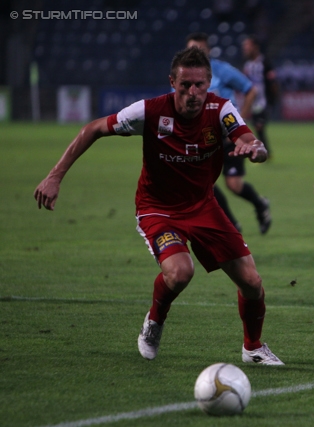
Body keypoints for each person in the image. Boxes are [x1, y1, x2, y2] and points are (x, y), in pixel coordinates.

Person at [34, 47, 284, 365]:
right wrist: (55, 177)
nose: (193, 93)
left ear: (209, 84)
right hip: (158, 209)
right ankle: (154, 322)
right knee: (180, 272)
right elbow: (94, 128)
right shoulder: (149, 112)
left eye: (199, 86)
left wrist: (255, 149)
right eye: (185, 85)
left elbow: (249, 140)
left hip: (203, 206)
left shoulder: (221, 110)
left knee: (252, 282)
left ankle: (253, 348)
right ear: (172, 82)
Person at [186, 32, 271, 235]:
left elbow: (251, 90)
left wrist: (238, 120)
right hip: (202, 139)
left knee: (233, 184)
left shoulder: (221, 70)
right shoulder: (184, 75)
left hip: (227, 136)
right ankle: (232, 225)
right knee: (203, 185)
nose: (195, 53)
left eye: (199, 49)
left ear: (207, 51)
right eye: (191, 49)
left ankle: (260, 205)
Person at [241, 34, 278, 155]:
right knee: (256, 126)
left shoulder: (265, 62)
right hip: (253, 102)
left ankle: (264, 152)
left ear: (255, 47)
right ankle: (265, 152)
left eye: (248, 46)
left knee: (259, 125)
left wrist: (272, 99)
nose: (245, 49)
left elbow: (273, 83)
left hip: (264, 101)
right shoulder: (247, 65)